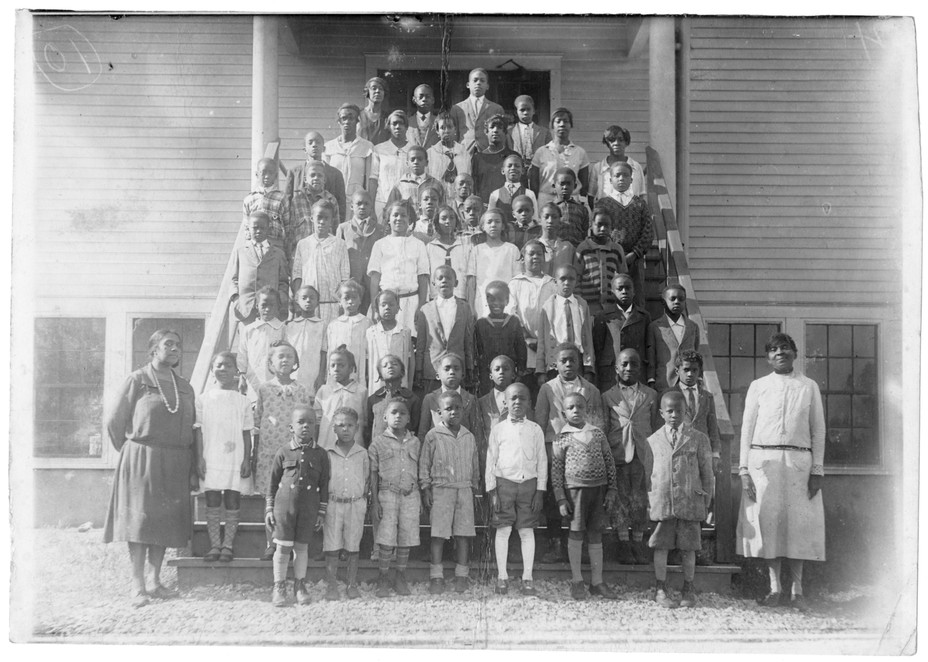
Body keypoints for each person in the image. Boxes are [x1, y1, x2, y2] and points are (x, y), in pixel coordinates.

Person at [104, 329, 197, 608]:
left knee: (165, 521)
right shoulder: (138, 379)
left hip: (176, 460)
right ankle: (138, 585)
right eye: (168, 344)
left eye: (178, 345)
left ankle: (155, 581)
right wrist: (131, 451)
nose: (175, 349)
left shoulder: (185, 387)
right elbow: (113, 421)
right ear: (154, 349)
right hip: (141, 458)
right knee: (141, 522)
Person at [737, 332, 826, 610]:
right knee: (770, 526)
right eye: (774, 350)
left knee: (798, 527)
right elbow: (746, 428)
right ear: (767, 357)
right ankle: (775, 588)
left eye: (785, 348)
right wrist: (743, 469)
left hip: (799, 464)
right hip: (764, 463)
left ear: (794, 353)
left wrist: (817, 469)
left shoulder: (808, 386)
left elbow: (818, 430)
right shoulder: (759, 386)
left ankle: (797, 591)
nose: (780, 353)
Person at [534, 343, 605, 563]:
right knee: (554, 499)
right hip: (554, 449)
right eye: (563, 360)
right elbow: (540, 421)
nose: (568, 365)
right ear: (555, 363)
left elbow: (597, 423)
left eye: (572, 360)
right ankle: (555, 543)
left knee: (579, 498)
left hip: (582, 454)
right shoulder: (547, 388)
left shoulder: (591, 390)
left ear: (579, 362)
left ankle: (578, 544)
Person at [646, 391, 714, 609]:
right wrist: (651, 500)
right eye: (670, 411)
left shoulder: (699, 439)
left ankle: (688, 587)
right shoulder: (653, 441)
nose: (675, 415)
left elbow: (707, 473)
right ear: (661, 413)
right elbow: (649, 473)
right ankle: (660, 587)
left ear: (687, 412)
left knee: (689, 547)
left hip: (690, 501)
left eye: (679, 411)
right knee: (661, 545)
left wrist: (706, 501)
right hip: (663, 501)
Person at [551, 392, 619, 601]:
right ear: (564, 413)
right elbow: (556, 470)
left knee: (596, 534)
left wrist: (612, 489)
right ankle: (577, 580)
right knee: (576, 532)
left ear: (586, 410)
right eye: (571, 408)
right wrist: (561, 498)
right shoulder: (561, 438)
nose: (576, 411)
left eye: (580, 407)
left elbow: (609, 462)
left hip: (597, 491)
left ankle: (597, 582)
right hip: (575, 493)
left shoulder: (597, 434)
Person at [486, 382, 547, 596]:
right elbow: (490, 461)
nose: (518, 402)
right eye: (513, 398)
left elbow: (542, 462)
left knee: (526, 531)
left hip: (529, 486)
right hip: (504, 485)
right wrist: (492, 491)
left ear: (529, 403)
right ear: (505, 402)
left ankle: (527, 578)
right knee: (503, 530)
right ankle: (502, 576)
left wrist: (540, 491)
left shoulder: (535, 430)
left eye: (522, 398)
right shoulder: (498, 429)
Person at [265, 406, 329, 607]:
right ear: (291, 427)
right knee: (283, 548)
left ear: (315, 426)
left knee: (301, 547)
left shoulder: (321, 454)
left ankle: (299, 585)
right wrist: (269, 508)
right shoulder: (283, 452)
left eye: (310, 422)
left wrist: (321, 511)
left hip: (308, 508)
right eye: (301, 422)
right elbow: (273, 483)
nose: (306, 426)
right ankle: (279, 586)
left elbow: (324, 485)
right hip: (284, 508)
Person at [254, 341, 312, 560]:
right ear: (270, 363)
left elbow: (306, 421)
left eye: (289, 356)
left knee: (293, 494)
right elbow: (258, 420)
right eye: (280, 356)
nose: (285, 360)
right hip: (269, 451)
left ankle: (292, 543)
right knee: (271, 496)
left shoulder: (301, 390)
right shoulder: (264, 389)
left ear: (296, 362)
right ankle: (272, 543)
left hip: (293, 452)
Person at [420, 390, 480, 595]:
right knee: (438, 535)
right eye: (448, 409)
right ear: (439, 412)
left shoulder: (468, 436)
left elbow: (474, 464)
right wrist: (425, 487)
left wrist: (474, 486)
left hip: (463, 490)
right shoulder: (433, 435)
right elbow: (424, 463)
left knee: (463, 535)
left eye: (458, 408)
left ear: (463, 410)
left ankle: (462, 575)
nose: (454, 412)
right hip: (441, 490)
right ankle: (436, 576)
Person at [195, 352, 253, 563]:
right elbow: (198, 430)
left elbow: (247, 432)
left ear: (236, 371)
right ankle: (214, 545)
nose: (223, 369)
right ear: (212, 370)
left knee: (232, 496)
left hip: (234, 456)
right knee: (212, 497)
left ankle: (227, 545)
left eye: (228, 365)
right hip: (210, 455)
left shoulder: (243, 401)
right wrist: (200, 458)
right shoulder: (203, 399)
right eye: (218, 365)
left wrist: (247, 458)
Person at [602, 348, 658, 565]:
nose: (628, 368)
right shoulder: (607, 396)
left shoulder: (650, 395)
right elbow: (606, 428)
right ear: (616, 368)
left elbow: (654, 425)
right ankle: (623, 542)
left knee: (640, 499)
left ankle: (638, 541)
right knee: (620, 499)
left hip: (643, 454)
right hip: (619, 454)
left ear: (640, 368)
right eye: (624, 364)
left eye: (633, 364)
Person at [369, 398, 421, 596]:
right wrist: (374, 501)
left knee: (406, 537)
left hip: (410, 495)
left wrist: (421, 496)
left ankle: (400, 575)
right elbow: (373, 473)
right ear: (384, 417)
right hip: (387, 494)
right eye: (393, 413)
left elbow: (419, 469)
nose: (398, 416)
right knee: (386, 537)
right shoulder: (378, 443)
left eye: (402, 413)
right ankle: (383, 576)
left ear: (408, 419)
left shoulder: (415, 442)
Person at [322, 407, 370, 601]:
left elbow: (366, 479)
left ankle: (351, 584)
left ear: (357, 428)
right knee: (332, 546)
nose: (345, 429)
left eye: (350, 425)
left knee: (352, 545)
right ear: (334, 428)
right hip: (334, 504)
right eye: (340, 425)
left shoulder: (363, 454)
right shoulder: (327, 453)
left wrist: (363, 500)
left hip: (355, 504)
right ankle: (332, 584)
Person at [367, 201, 430, 337]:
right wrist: (374, 307)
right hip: (386, 304)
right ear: (388, 219)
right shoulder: (380, 245)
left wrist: (421, 306)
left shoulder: (418, 245)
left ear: (410, 220)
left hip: (411, 303)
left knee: (409, 345)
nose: (399, 218)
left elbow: (423, 277)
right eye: (395, 215)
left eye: (404, 215)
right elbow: (374, 279)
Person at [596, 160, 653, 307]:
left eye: (625, 175)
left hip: (634, 258)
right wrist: (613, 253)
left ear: (631, 179)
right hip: (610, 257)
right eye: (617, 175)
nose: (621, 179)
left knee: (636, 295)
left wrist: (634, 253)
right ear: (610, 180)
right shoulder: (603, 204)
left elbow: (647, 231)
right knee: (611, 295)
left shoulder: (639, 203)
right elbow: (598, 230)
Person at [414, 265, 476, 394]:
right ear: (433, 283)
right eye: (440, 278)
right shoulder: (425, 310)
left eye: (448, 278)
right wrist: (419, 369)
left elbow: (468, 341)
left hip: (457, 369)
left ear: (456, 282)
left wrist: (469, 368)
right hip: (432, 369)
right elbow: (421, 344)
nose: (444, 281)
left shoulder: (465, 308)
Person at [507, 240, 557, 398]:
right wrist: (527, 338)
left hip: (549, 347)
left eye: (540, 254)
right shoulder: (516, 284)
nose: (536, 257)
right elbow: (511, 314)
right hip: (526, 347)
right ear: (522, 258)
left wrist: (545, 341)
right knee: (525, 392)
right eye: (531, 254)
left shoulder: (552, 284)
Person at [290, 199, 350, 329]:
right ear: (312, 218)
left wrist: (342, 302)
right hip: (308, 305)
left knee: (331, 343)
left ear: (331, 220)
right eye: (319, 217)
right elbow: (297, 274)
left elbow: (345, 277)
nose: (322, 222)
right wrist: (297, 301)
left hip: (332, 304)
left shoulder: (340, 244)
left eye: (326, 218)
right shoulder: (303, 244)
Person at [536, 265, 596, 381]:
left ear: (576, 281)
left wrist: (589, 367)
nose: (567, 283)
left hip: (577, 362)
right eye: (563, 279)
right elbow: (542, 341)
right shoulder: (547, 307)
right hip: (556, 363)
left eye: (571, 279)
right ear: (555, 282)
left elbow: (588, 338)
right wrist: (540, 370)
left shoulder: (582, 305)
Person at [670, 349, 723, 475]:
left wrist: (715, 454)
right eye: (686, 370)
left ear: (699, 372)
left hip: (702, 453)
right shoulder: (669, 395)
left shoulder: (707, 396)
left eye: (694, 370)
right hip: (678, 451)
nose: (690, 374)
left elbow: (712, 426)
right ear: (677, 371)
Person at [232, 212, 290, 325]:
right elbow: (234, 280)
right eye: (255, 228)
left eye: (262, 228)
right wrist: (236, 300)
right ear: (248, 228)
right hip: (246, 309)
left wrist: (279, 302)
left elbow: (283, 282)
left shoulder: (278, 253)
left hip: (270, 310)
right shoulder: (240, 252)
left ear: (269, 229)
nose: (258, 231)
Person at [597, 273, 650, 391]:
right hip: (611, 373)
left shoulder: (644, 316)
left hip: (635, 371)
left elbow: (648, 347)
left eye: (628, 288)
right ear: (612, 292)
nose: (624, 291)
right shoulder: (603, 317)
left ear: (634, 291)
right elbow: (598, 348)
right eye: (620, 288)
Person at [575, 206, 628, 321]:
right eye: (599, 225)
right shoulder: (583, 249)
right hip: (588, 309)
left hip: (612, 309)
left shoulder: (617, 249)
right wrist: (580, 304)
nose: (603, 228)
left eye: (607, 225)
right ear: (591, 225)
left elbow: (623, 277)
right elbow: (576, 279)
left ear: (611, 227)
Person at [336, 189, 384, 314]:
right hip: (352, 281)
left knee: (371, 315)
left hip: (372, 283)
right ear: (352, 206)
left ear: (371, 206)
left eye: (367, 204)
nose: (362, 207)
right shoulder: (343, 228)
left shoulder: (379, 229)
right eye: (359, 204)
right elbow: (338, 257)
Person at [530, 108, 590, 208]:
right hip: (546, 202)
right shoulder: (541, 152)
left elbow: (584, 185)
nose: (562, 124)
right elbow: (534, 183)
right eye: (558, 121)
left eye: (566, 121)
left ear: (571, 125)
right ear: (552, 126)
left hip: (572, 203)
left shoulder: (580, 152)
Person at [475, 281, 527, 396]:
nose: (496, 303)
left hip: (509, 373)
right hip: (487, 375)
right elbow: (477, 350)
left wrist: (520, 371)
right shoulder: (481, 324)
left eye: (500, 299)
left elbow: (521, 348)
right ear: (487, 300)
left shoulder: (513, 322)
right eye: (492, 299)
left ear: (507, 300)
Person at [284, 130, 347, 224]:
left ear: (324, 148)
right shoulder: (294, 173)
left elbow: (341, 206)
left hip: (326, 227)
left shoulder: (335, 174)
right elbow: (287, 203)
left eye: (318, 142)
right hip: (300, 228)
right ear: (305, 149)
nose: (314, 145)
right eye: (310, 143)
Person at [646, 284, 700, 392]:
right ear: (663, 302)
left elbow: (696, 352)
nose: (677, 302)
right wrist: (651, 380)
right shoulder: (655, 327)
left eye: (681, 299)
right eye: (672, 299)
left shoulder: (693, 327)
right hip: (664, 383)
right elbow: (651, 357)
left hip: (687, 383)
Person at [313, 345, 367, 451]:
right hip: (327, 445)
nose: (336, 369)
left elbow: (365, 422)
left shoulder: (361, 391)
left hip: (353, 447)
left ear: (351, 368)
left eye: (341, 365)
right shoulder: (324, 391)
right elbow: (317, 421)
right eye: (332, 365)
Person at [237, 287, 287, 398]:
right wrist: (242, 376)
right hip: (254, 379)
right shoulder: (249, 329)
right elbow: (242, 355)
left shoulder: (282, 329)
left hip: (276, 379)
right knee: (255, 406)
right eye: (264, 305)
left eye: (272, 305)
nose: (267, 309)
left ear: (278, 307)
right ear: (257, 306)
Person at [472, 209, 522, 319]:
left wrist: (513, 304)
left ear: (503, 226)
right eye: (489, 222)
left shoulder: (512, 250)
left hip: (507, 303)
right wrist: (472, 307)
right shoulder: (476, 250)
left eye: (497, 221)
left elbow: (517, 281)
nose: (493, 225)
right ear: (483, 227)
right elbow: (472, 281)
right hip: (483, 303)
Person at [418, 352, 479, 439]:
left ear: (462, 375)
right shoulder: (430, 399)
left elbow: (477, 434)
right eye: (447, 369)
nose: (452, 372)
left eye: (456, 369)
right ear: (438, 375)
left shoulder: (471, 399)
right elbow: (423, 433)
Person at [325, 279, 373, 386]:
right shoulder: (334, 325)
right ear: (340, 302)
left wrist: (367, 371)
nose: (350, 301)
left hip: (359, 372)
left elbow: (369, 352)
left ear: (360, 300)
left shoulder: (367, 323)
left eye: (354, 297)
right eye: (346, 298)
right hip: (338, 371)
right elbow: (330, 352)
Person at [365, 353, 420, 446]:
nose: (390, 366)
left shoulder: (412, 399)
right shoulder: (373, 400)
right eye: (385, 366)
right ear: (380, 375)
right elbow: (369, 427)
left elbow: (415, 426)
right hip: (379, 449)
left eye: (394, 364)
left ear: (402, 372)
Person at [366, 290, 414, 394]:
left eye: (391, 304)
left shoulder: (405, 332)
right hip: (377, 386)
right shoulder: (371, 332)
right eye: (383, 305)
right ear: (377, 308)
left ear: (397, 308)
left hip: (400, 385)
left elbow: (411, 361)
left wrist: (409, 386)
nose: (387, 307)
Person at [290, 161, 341, 259]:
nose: (316, 178)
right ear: (305, 179)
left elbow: (336, 229)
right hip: (302, 254)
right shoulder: (297, 200)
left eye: (319, 175)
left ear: (324, 179)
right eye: (312, 175)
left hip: (325, 253)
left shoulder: (331, 200)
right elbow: (290, 230)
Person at [449, 68, 505, 155]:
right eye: (475, 80)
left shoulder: (496, 109)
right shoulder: (457, 108)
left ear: (487, 86)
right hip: (464, 153)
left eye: (482, 81)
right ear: (468, 84)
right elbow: (453, 134)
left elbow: (501, 136)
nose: (478, 83)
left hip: (488, 153)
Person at [426, 205, 475, 304]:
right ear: (437, 222)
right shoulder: (430, 247)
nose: (448, 221)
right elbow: (426, 277)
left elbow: (471, 277)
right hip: (436, 299)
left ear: (456, 221)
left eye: (452, 218)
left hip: (460, 297)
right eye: (443, 218)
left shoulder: (466, 246)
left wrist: (470, 302)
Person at [242, 157, 290, 257]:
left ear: (276, 176)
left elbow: (288, 228)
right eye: (263, 172)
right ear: (257, 174)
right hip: (255, 251)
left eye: (271, 173)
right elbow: (247, 229)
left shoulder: (282, 198)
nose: (267, 176)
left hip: (275, 249)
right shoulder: (249, 200)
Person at [324, 103, 374, 196]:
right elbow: (324, 177)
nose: (347, 122)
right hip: (334, 199)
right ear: (339, 121)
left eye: (351, 118)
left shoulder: (367, 147)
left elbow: (369, 179)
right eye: (344, 118)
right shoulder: (328, 147)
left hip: (356, 200)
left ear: (357, 121)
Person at [588, 124, 646, 203]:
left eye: (620, 140)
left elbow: (642, 195)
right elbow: (591, 196)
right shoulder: (598, 168)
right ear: (607, 143)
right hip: (606, 213)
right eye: (612, 140)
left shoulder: (635, 166)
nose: (616, 143)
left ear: (626, 142)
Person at [286, 284, 327, 397]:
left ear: (317, 302)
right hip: (293, 374)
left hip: (313, 373)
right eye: (304, 298)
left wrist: (321, 375)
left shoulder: (322, 325)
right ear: (297, 302)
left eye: (312, 298)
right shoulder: (290, 326)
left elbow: (324, 352)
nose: (308, 300)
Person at [369, 109, 411, 219]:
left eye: (401, 123)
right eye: (394, 123)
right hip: (382, 202)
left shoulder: (413, 150)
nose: (397, 127)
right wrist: (371, 208)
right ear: (388, 126)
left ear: (406, 127)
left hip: (407, 203)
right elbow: (373, 179)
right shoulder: (379, 149)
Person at [471, 114, 519, 203]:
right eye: (492, 127)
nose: (495, 130)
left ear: (505, 132)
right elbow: (474, 186)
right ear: (486, 132)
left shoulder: (513, 157)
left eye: (500, 128)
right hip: (485, 206)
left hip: (508, 205)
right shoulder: (477, 158)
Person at [507, 94, 552, 183]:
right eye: (522, 110)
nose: (526, 113)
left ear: (534, 111)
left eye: (528, 109)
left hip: (539, 173)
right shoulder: (509, 132)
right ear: (516, 112)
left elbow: (549, 154)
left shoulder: (544, 132)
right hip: (517, 173)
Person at [385, 146, 444, 212]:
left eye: (420, 159)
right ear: (407, 163)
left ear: (426, 163)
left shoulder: (436, 184)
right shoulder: (400, 186)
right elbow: (389, 210)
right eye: (412, 159)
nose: (416, 162)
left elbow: (443, 209)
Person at [428, 113, 471, 202]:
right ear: (437, 131)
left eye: (450, 127)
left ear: (455, 129)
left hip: (459, 199)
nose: (446, 131)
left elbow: (468, 176)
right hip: (438, 199)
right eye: (442, 128)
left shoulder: (464, 152)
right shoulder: (431, 153)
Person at [488, 154, 539, 225]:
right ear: (503, 171)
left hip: (523, 234)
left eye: (517, 166)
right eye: (509, 166)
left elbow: (535, 218)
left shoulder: (529, 194)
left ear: (523, 170)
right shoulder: (495, 194)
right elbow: (490, 218)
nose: (513, 168)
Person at [549, 167, 589, 247]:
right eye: (562, 183)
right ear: (554, 185)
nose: (565, 187)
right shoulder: (550, 208)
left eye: (568, 183)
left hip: (576, 251)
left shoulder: (582, 209)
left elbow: (585, 233)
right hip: (556, 250)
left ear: (574, 186)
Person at [536, 202, 575, 277]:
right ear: (540, 220)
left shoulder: (567, 247)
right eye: (546, 217)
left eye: (554, 217)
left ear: (560, 221)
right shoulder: (534, 245)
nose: (550, 221)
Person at [358, 76, 390, 145]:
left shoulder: (388, 117)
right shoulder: (358, 115)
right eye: (374, 88)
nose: (377, 91)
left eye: (381, 89)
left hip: (382, 154)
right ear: (367, 92)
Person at [407, 83, 440, 149]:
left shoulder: (439, 122)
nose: (424, 99)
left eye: (427, 96)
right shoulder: (407, 122)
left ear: (433, 100)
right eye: (421, 97)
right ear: (414, 100)